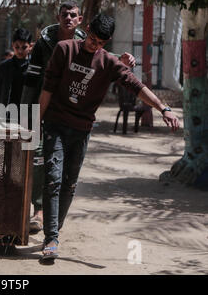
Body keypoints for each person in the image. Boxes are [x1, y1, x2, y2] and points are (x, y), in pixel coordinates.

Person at [38, 13, 180, 260]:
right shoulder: (64, 49)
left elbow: (136, 86)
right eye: (92, 39)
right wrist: (36, 123)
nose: (95, 45)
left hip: (81, 131)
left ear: (108, 41)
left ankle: (55, 228)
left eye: (101, 43)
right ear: (87, 29)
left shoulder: (108, 62)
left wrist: (163, 108)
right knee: (52, 179)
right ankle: (51, 238)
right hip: (55, 125)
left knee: (69, 185)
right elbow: (48, 87)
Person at [22, 1, 136, 233]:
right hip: (45, 110)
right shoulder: (45, 45)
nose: (69, 18)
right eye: (65, 14)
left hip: (72, 116)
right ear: (58, 16)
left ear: (80, 19)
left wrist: (123, 59)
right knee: (39, 158)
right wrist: (27, 114)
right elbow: (32, 80)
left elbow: (99, 55)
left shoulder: (89, 41)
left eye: (73, 15)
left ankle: (52, 221)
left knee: (65, 175)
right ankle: (39, 211)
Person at [0, 28, 32, 120]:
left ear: (30, 46)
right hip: (6, 113)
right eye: (17, 47)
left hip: (26, 115)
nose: (20, 51)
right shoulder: (4, 66)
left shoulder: (35, 68)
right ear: (12, 45)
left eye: (24, 47)